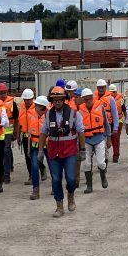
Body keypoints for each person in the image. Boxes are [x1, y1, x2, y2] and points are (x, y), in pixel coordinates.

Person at [41, 84, 84, 217]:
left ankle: (70, 195)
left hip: (70, 151)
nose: (57, 102)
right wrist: (40, 151)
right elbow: (43, 132)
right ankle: (59, 206)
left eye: (60, 99)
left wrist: (82, 149)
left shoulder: (74, 113)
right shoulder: (48, 115)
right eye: (55, 100)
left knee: (71, 179)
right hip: (54, 152)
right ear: (52, 101)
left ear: (64, 99)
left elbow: (81, 132)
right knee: (55, 179)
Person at [76, 87, 110, 193]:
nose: (88, 101)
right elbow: (77, 127)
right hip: (86, 139)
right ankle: (89, 186)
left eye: (90, 98)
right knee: (86, 164)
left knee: (101, 163)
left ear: (93, 98)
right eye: (86, 99)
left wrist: (108, 137)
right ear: (83, 99)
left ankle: (103, 177)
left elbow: (106, 123)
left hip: (99, 138)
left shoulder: (100, 107)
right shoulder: (79, 110)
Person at [17, 88, 44, 199]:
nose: (27, 101)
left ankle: (42, 170)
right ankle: (32, 178)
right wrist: (18, 135)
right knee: (29, 159)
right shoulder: (22, 107)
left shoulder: (37, 108)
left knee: (39, 159)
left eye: (29, 99)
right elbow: (19, 122)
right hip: (27, 137)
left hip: (41, 138)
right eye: (25, 99)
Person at [0, 82, 16, 183]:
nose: (3, 95)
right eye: (1, 93)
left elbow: (16, 118)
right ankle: (10, 165)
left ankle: (6, 175)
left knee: (6, 150)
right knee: (4, 151)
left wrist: (16, 132)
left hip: (9, 130)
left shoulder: (12, 102)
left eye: (4, 93)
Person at [107, 82, 125, 163]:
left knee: (116, 139)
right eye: (111, 92)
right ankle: (105, 156)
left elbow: (124, 110)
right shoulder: (107, 99)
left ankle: (116, 155)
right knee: (107, 138)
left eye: (114, 92)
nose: (112, 93)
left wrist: (127, 121)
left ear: (116, 92)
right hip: (109, 121)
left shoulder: (121, 99)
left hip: (119, 120)